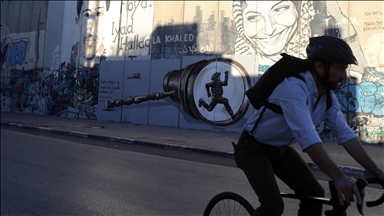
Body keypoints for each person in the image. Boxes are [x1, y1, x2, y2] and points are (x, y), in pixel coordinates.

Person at [233, 36, 384, 216]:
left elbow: (346, 135)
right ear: (320, 67)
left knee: (314, 194)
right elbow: (308, 137)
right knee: (273, 206)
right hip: (252, 149)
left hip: (281, 150)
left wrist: (377, 171)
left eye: (345, 69)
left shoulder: (327, 97)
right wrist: (339, 177)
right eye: (339, 68)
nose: (344, 75)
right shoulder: (293, 88)